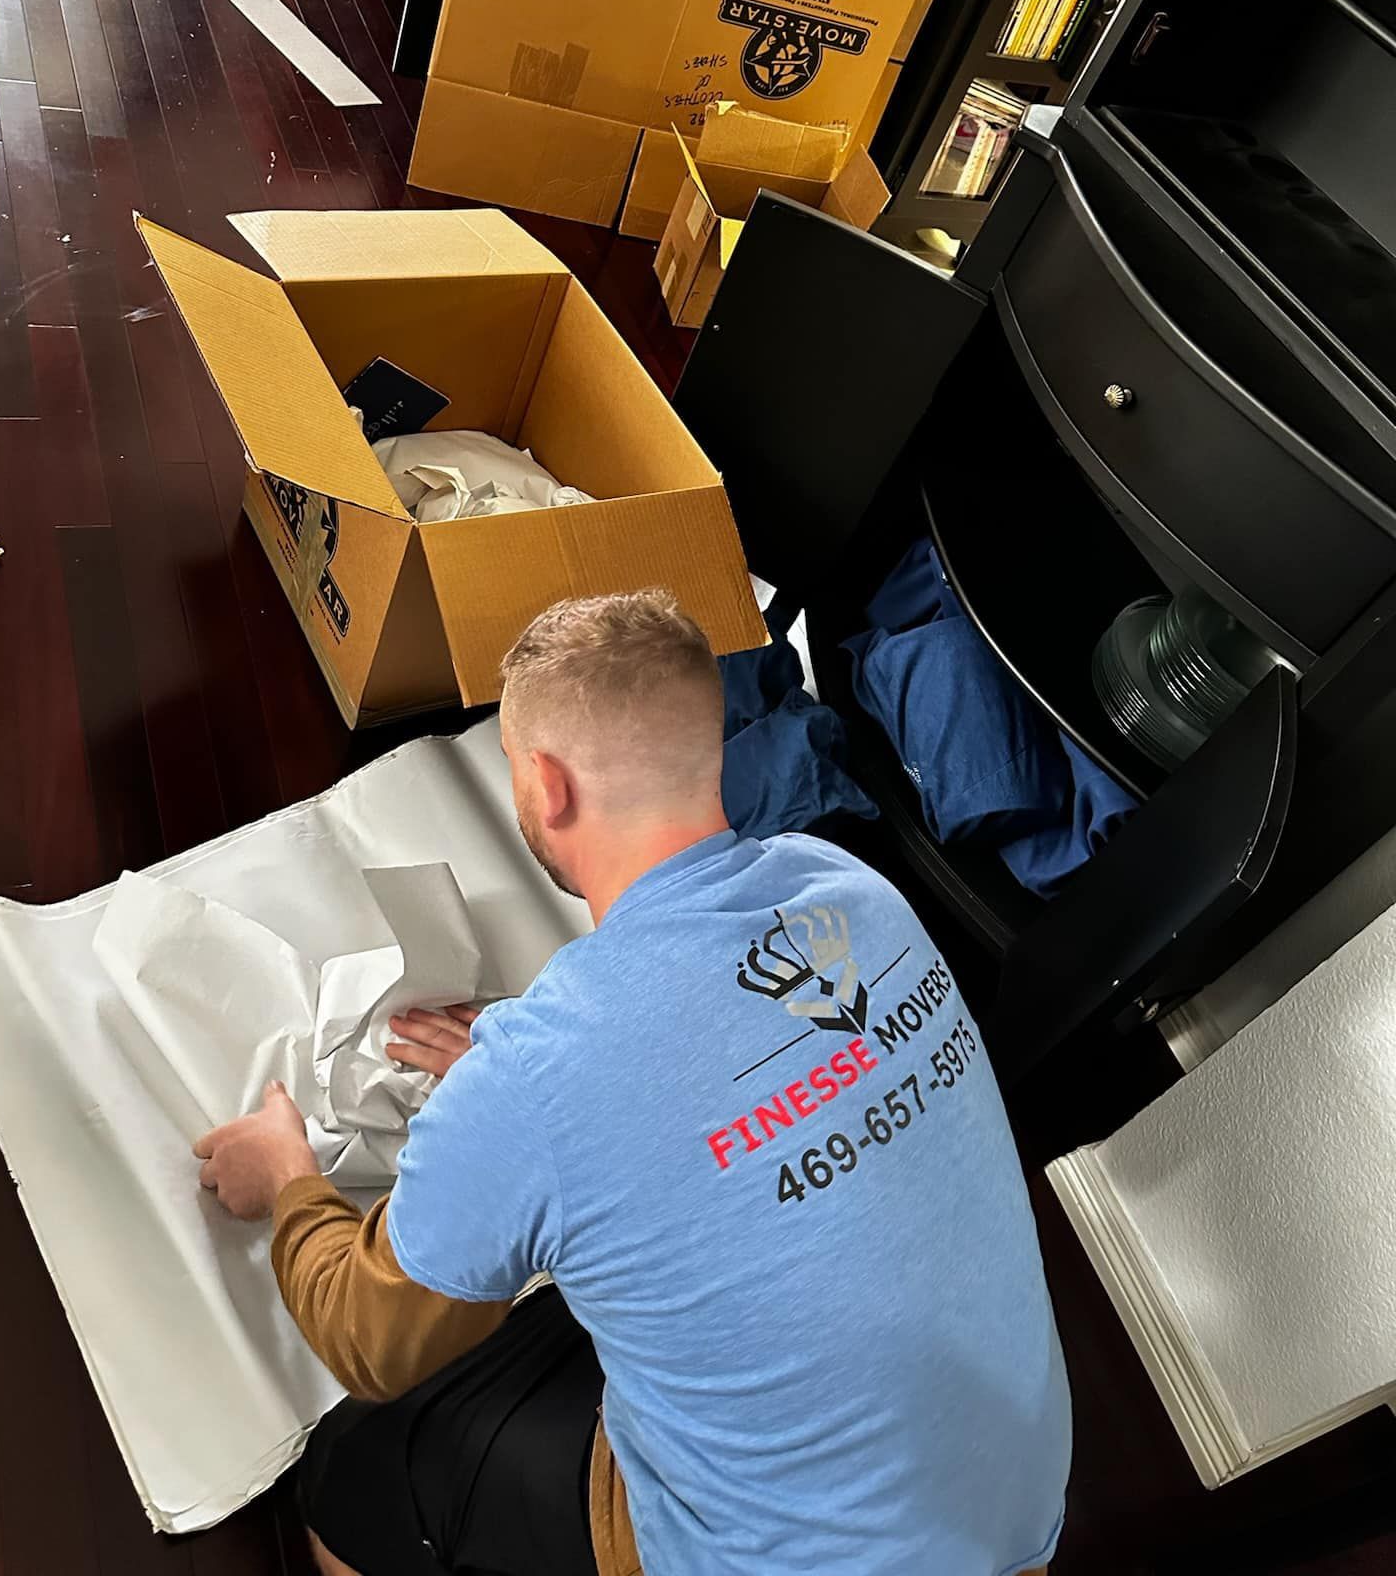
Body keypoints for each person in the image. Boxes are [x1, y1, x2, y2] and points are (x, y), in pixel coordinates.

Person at [194, 591, 1072, 1576]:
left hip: (770, 1557)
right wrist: (545, 1065)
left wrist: (288, 1182)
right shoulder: (851, 888)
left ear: (548, 784)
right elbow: (730, 1054)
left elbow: (370, 1338)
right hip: (1016, 1516)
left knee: (350, 1471)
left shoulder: (539, 1074)